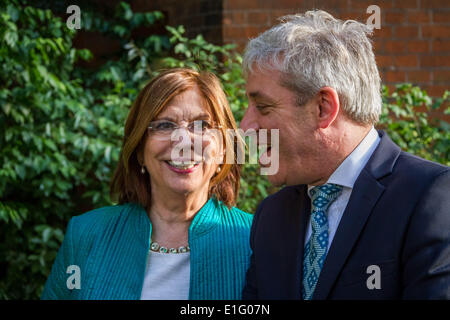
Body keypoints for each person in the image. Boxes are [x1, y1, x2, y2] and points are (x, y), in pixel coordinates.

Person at [240, 10, 450, 299]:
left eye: (262, 108)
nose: (245, 126)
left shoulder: (431, 197)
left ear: (323, 108)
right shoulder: (271, 216)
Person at [41, 68, 253, 300]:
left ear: (224, 149)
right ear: (140, 149)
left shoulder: (256, 240)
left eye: (201, 125)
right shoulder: (85, 235)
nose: (183, 141)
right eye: (164, 125)